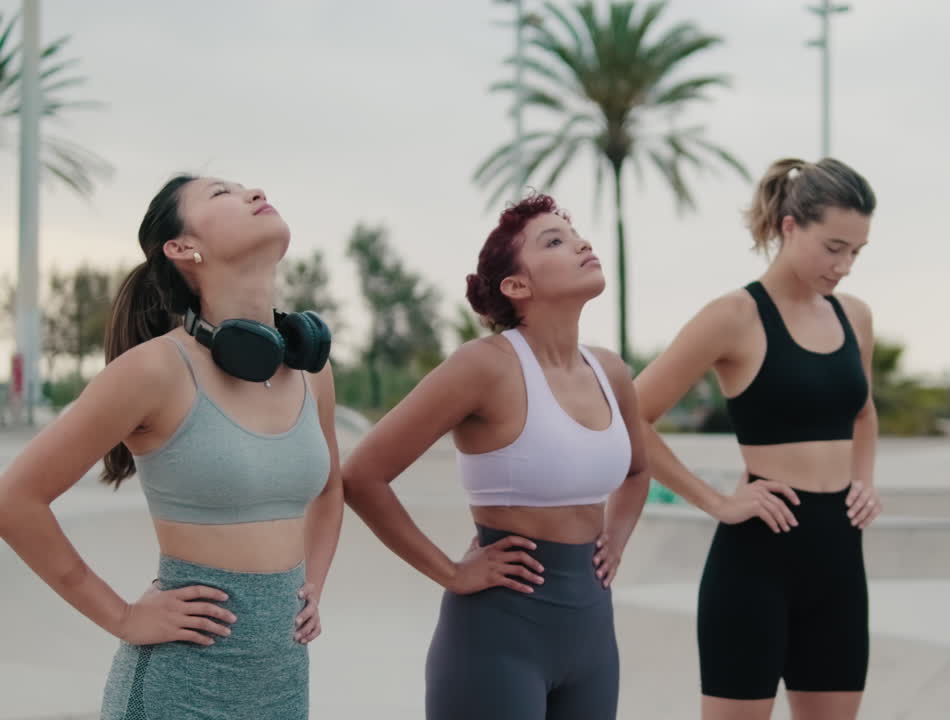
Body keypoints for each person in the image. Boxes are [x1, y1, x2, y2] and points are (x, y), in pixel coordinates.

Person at [0, 175, 345, 719]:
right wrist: (123, 617)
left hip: (282, 688)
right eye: (221, 194)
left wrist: (313, 586)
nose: (252, 191)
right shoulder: (156, 370)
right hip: (179, 692)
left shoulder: (310, 370)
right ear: (183, 249)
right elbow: (14, 499)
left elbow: (330, 488)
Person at [341, 193, 648, 720]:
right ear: (516, 285)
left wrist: (615, 540)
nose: (581, 244)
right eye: (555, 241)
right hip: (498, 640)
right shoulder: (484, 366)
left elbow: (638, 470)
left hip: (594, 636)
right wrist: (452, 573)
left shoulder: (610, 370)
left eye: (575, 235)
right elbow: (362, 474)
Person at [634, 158, 881, 720]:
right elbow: (631, 415)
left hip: (840, 561)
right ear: (790, 227)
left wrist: (864, 479)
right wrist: (715, 500)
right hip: (757, 563)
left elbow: (863, 413)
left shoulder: (855, 317)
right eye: (833, 247)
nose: (844, 266)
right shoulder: (734, 316)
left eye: (856, 252)